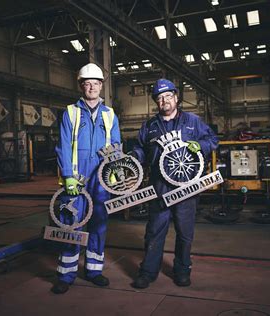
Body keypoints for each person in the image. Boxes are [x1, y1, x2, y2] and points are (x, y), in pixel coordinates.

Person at [130, 78, 218, 288]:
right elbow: (140, 148)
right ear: (156, 102)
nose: (164, 101)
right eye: (159, 98)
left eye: (168, 96)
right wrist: (133, 157)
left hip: (187, 187)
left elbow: (213, 140)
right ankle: (148, 272)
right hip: (159, 188)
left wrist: (201, 145)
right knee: (154, 231)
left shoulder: (192, 121)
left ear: (176, 98)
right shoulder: (149, 126)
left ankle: (182, 270)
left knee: (185, 233)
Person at [52, 63, 121, 294]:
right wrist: (68, 176)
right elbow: (62, 144)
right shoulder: (70, 112)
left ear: (101, 86)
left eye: (96, 83)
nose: (92, 87)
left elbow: (117, 147)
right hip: (77, 178)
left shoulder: (110, 115)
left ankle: (94, 270)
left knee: (99, 224)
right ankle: (66, 274)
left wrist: (117, 177)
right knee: (71, 224)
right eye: (87, 83)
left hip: (101, 178)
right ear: (81, 86)